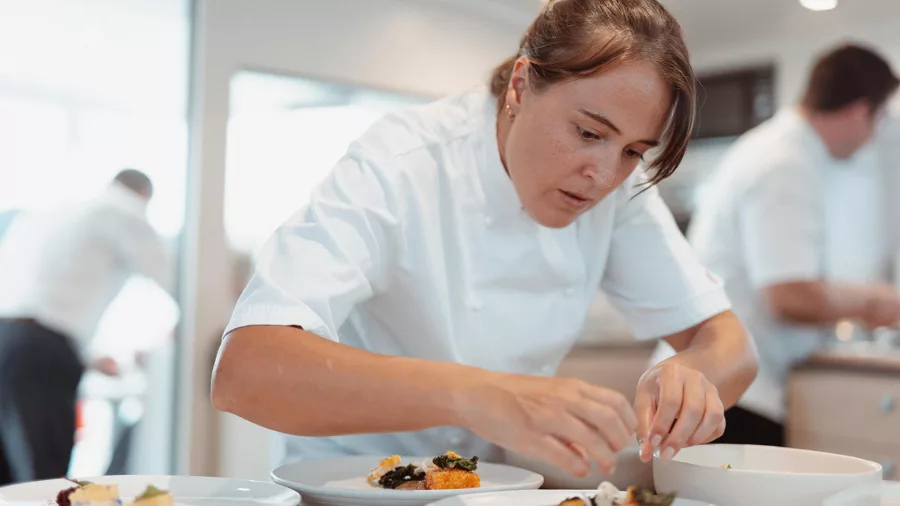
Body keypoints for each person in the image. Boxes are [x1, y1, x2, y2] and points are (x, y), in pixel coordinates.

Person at [211, 0, 758, 478]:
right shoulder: (401, 163)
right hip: (347, 488)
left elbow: (731, 345)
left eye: (634, 151)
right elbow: (245, 371)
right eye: (588, 133)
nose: (605, 175)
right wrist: (475, 395)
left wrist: (692, 373)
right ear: (520, 85)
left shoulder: (615, 191)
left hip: (489, 486)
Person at [652, 44, 900, 447]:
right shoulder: (785, 164)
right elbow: (787, 295)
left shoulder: (780, 151)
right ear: (859, 110)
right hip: (732, 393)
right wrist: (873, 301)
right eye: (878, 120)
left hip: (723, 385)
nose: (872, 137)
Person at [0, 169, 172, 484]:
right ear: (144, 195)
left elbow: (39, 304)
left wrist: (88, 358)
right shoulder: (122, 210)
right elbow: (177, 278)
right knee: (46, 479)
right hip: (39, 349)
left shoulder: (59, 213)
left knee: (8, 475)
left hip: (7, 338)